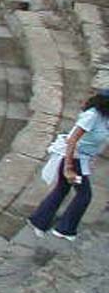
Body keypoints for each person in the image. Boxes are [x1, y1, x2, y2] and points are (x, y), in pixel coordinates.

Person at [29, 90, 109, 241]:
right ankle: (65, 229)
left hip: (83, 159)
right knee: (84, 195)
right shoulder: (92, 116)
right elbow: (72, 140)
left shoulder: (105, 117)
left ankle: (39, 220)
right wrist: (68, 168)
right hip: (73, 158)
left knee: (62, 189)